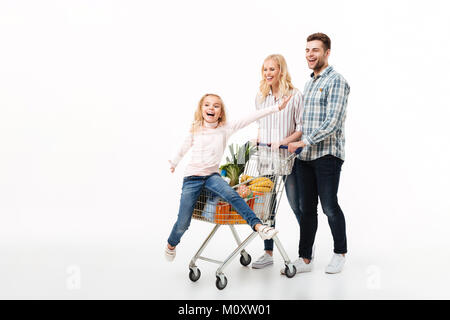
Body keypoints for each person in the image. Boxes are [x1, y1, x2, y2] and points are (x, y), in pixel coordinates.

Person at [165, 93, 292, 261]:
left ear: (221, 112)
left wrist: (277, 107)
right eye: (207, 105)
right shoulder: (196, 129)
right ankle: (171, 244)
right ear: (201, 109)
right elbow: (183, 147)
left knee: (233, 195)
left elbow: (250, 118)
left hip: (212, 176)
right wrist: (174, 162)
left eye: (216, 106)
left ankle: (259, 226)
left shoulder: (225, 128)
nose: (211, 108)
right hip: (192, 178)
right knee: (183, 222)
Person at [286, 33, 350, 274]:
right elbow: (305, 120)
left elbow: (333, 122)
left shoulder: (337, 81)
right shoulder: (310, 82)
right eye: (307, 50)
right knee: (306, 208)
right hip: (306, 157)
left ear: (327, 52)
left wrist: (304, 142)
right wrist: (294, 141)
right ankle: (305, 259)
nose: (309, 54)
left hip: (327, 155)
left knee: (329, 206)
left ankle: (339, 253)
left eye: (315, 50)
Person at [250, 54, 304, 269]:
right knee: (266, 208)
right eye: (265, 70)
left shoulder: (295, 95)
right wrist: (259, 138)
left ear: (281, 70)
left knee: (295, 204)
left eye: (272, 69)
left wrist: (283, 141)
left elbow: (300, 129)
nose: (268, 73)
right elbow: (261, 125)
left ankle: (306, 249)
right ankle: (268, 252)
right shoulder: (261, 97)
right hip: (265, 159)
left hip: (287, 158)